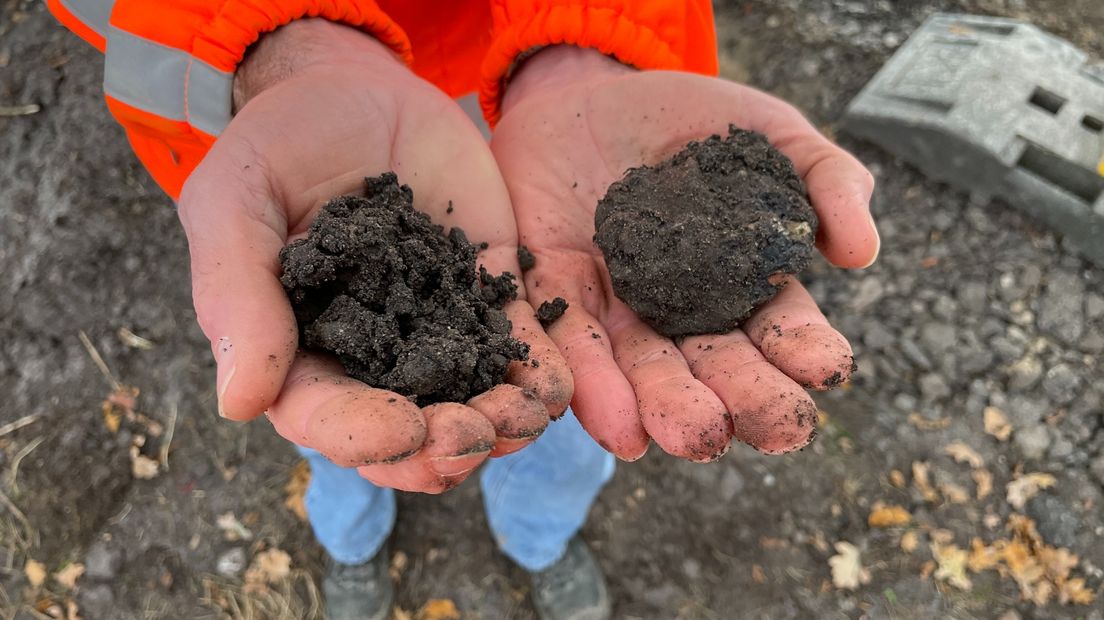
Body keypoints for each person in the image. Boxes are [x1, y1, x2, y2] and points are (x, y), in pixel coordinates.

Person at [48, 1, 880, 618]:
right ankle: (351, 544)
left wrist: (583, 45)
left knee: (574, 393)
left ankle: (538, 544)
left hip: (549, 86)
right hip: (301, 127)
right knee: (342, 411)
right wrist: (281, 45)